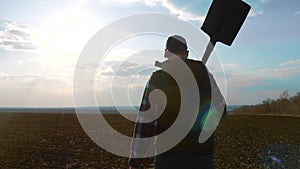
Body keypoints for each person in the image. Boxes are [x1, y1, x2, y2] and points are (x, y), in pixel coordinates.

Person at [129, 35, 226, 169]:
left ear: (166, 53)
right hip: (202, 155)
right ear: (186, 53)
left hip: (169, 156)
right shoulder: (206, 76)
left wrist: (136, 160)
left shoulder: (157, 79)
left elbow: (146, 122)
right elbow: (221, 109)